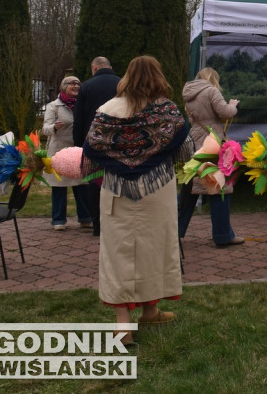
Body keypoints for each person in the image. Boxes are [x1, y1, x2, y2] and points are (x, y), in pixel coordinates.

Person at [83, 55, 189, 347]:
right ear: (158, 76)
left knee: (118, 254)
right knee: (154, 249)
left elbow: (91, 150)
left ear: (127, 76)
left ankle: (126, 325)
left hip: (117, 191)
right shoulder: (167, 110)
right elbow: (184, 151)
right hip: (157, 189)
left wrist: (117, 162)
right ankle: (148, 311)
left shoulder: (106, 110)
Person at [178, 67, 243, 248]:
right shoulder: (211, 91)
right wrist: (233, 105)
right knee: (219, 186)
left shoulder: (188, 93)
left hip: (195, 138)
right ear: (213, 78)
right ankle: (223, 235)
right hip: (212, 139)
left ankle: (175, 232)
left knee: (189, 187)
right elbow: (225, 112)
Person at [74, 57, 120, 237]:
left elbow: (79, 118)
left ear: (94, 68)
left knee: (94, 182)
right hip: (118, 140)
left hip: (93, 141)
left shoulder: (86, 86)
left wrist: (78, 144)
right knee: (116, 179)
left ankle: (97, 225)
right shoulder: (121, 84)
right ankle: (115, 222)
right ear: (110, 66)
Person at [40, 76, 92, 231]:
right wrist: (54, 127)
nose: (76, 86)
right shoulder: (54, 106)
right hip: (59, 151)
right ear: (64, 87)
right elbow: (45, 129)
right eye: (72, 84)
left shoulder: (83, 104)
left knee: (81, 185)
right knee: (59, 186)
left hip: (78, 150)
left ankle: (85, 219)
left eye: (78, 83)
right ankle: (58, 221)